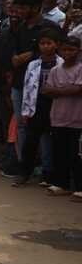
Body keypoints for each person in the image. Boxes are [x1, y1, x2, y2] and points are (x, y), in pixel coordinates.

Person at [9, 0, 58, 166]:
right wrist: (16, 58)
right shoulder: (18, 27)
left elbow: (57, 52)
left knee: (44, 127)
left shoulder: (49, 27)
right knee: (22, 123)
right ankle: (24, 164)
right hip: (19, 81)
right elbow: (12, 51)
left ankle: (46, 167)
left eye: (23, 7)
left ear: (36, 7)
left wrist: (29, 55)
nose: (19, 11)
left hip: (42, 85)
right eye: (18, 7)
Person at [12, 28, 62, 187]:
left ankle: (49, 174)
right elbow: (27, 88)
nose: (45, 46)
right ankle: (24, 173)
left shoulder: (61, 63)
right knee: (31, 141)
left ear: (57, 44)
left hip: (55, 106)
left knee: (52, 141)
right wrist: (26, 111)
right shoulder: (33, 64)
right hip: (37, 105)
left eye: (49, 43)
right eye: (42, 43)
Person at [42, 36, 82, 198]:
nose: (68, 53)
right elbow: (46, 91)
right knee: (60, 153)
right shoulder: (55, 70)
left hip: (77, 119)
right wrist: (68, 89)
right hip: (58, 117)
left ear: (78, 51)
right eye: (65, 49)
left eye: (71, 49)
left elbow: (78, 90)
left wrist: (58, 91)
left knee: (76, 155)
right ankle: (61, 184)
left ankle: (79, 187)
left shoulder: (80, 68)